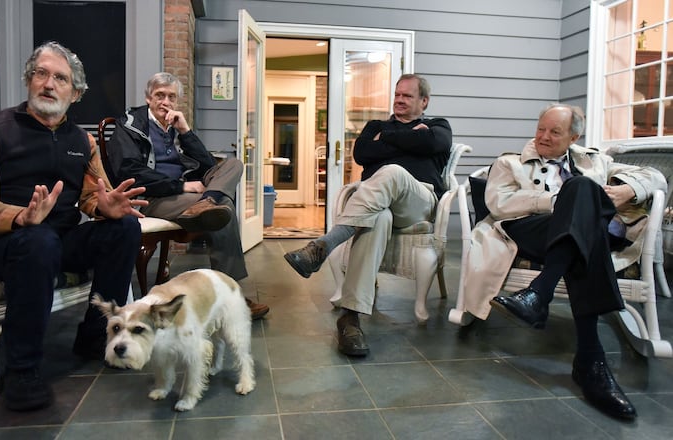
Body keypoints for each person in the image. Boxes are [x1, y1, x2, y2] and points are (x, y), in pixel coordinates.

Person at [0, 41, 147, 412]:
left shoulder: (82, 141)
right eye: (41, 73)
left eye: (60, 78)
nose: (49, 84)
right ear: (29, 80)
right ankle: (22, 369)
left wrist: (105, 207)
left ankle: (93, 335)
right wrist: (18, 216)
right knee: (38, 241)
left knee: (123, 231)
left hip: (58, 238)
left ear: (76, 93)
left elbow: (92, 196)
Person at [462, 103, 666, 420]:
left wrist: (628, 189)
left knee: (582, 199)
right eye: (540, 128)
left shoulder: (597, 161)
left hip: (585, 235)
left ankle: (539, 295)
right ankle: (590, 360)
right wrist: (556, 201)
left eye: (554, 131)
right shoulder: (510, 162)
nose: (543, 136)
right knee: (580, 193)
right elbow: (498, 204)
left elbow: (655, 177)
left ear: (574, 136)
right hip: (528, 231)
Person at [283, 74, 452, 356]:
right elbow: (362, 152)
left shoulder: (437, 126)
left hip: (418, 202)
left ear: (424, 101)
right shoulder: (375, 125)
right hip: (378, 206)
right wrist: (410, 137)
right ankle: (350, 318)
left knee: (392, 171)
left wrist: (387, 139)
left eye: (407, 96)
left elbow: (434, 144)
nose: (399, 99)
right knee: (380, 217)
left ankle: (324, 245)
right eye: (397, 94)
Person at [105, 72, 269, 319]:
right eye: (159, 95)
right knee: (224, 207)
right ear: (148, 98)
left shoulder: (174, 128)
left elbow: (206, 165)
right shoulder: (129, 125)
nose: (165, 102)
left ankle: (209, 201)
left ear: (177, 102)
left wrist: (185, 131)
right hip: (150, 198)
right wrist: (182, 187)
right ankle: (232, 298)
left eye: (171, 97)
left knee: (233, 164)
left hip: (185, 198)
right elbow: (129, 172)